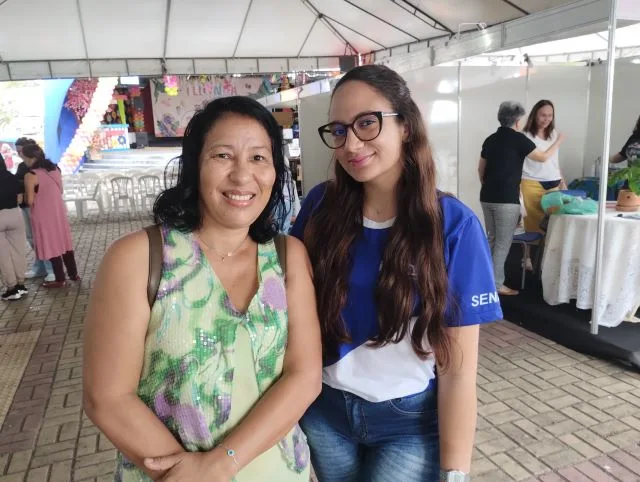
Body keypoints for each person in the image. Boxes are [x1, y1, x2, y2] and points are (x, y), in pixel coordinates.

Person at [83, 96, 321, 482]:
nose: (243, 176)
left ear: (276, 171)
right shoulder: (138, 258)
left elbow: (304, 376)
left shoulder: (288, 255)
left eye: (259, 158)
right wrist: (193, 475)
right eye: (223, 156)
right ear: (194, 166)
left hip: (280, 470)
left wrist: (220, 464)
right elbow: (107, 398)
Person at [291, 64, 502, 482]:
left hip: (408, 425)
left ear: (405, 125)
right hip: (325, 414)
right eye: (338, 129)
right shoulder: (320, 208)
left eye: (367, 123)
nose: (351, 143)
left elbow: (458, 371)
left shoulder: (452, 225)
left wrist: (455, 471)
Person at [478, 101, 564, 296]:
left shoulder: (490, 139)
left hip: (487, 197)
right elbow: (542, 158)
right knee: (502, 242)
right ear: (517, 121)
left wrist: (489, 187)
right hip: (506, 199)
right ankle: (496, 284)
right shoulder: (519, 139)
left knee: (492, 239)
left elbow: (480, 169)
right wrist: (558, 141)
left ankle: (487, 281)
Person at [22, 144, 79, 288]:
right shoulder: (55, 169)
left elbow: (30, 200)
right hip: (58, 211)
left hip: (42, 214)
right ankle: (74, 274)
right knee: (64, 243)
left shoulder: (31, 175)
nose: (23, 160)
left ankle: (60, 279)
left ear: (31, 158)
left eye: (24, 157)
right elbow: (60, 190)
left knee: (51, 244)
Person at [521, 100, 568, 234]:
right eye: (543, 115)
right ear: (535, 115)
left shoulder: (553, 133)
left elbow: (554, 160)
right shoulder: (526, 136)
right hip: (531, 183)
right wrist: (559, 141)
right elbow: (543, 157)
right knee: (534, 227)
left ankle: (548, 254)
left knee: (553, 226)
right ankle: (531, 255)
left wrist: (562, 180)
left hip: (553, 183)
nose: (546, 119)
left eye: (550, 115)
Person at [14, 137, 55, 282]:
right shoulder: (21, 166)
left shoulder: (44, 167)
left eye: (21, 151)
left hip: (39, 207)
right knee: (32, 238)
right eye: (17, 151)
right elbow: (17, 183)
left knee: (42, 238)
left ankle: (51, 268)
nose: (19, 154)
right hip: (25, 206)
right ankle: (40, 265)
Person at [0, 153, 28, 301]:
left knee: (3, 256)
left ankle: (11, 288)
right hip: (15, 215)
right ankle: (21, 284)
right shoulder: (11, 177)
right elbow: (19, 198)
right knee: (18, 251)